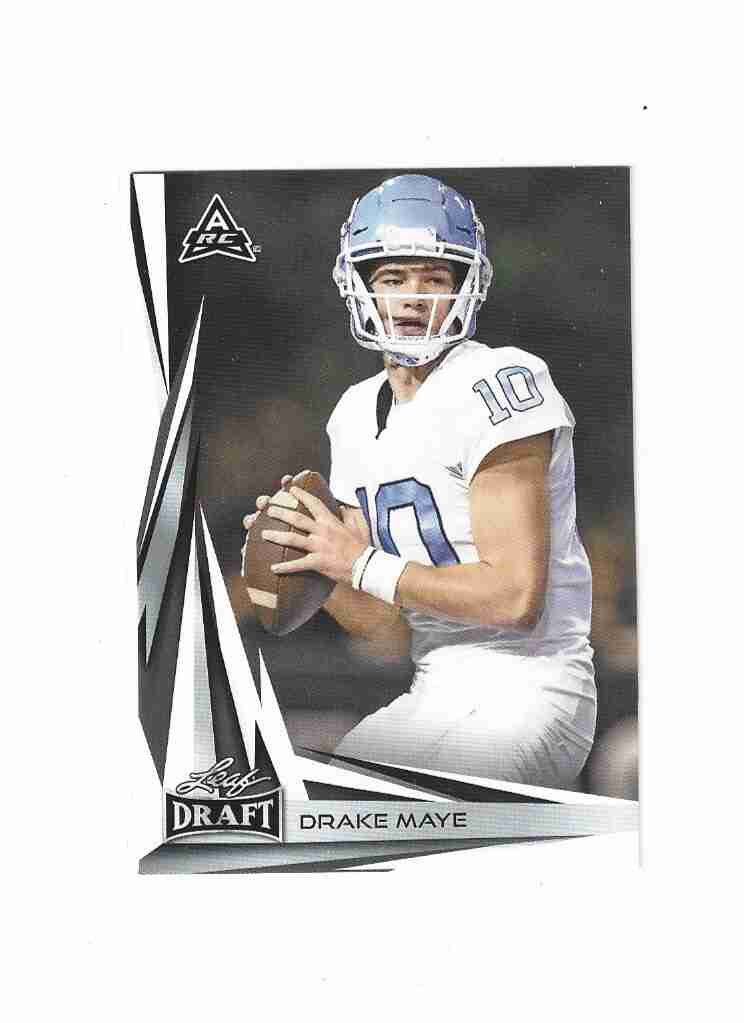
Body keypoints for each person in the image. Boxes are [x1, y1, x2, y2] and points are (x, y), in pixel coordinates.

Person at [243, 174, 596, 789]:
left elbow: (515, 598)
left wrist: (355, 562)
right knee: (322, 810)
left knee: (403, 824)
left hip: (532, 686)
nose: (413, 299)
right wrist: (308, 554)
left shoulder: (500, 381)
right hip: (433, 687)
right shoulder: (353, 412)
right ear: (360, 288)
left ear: (467, 287)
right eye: (392, 278)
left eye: (434, 279)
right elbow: (382, 617)